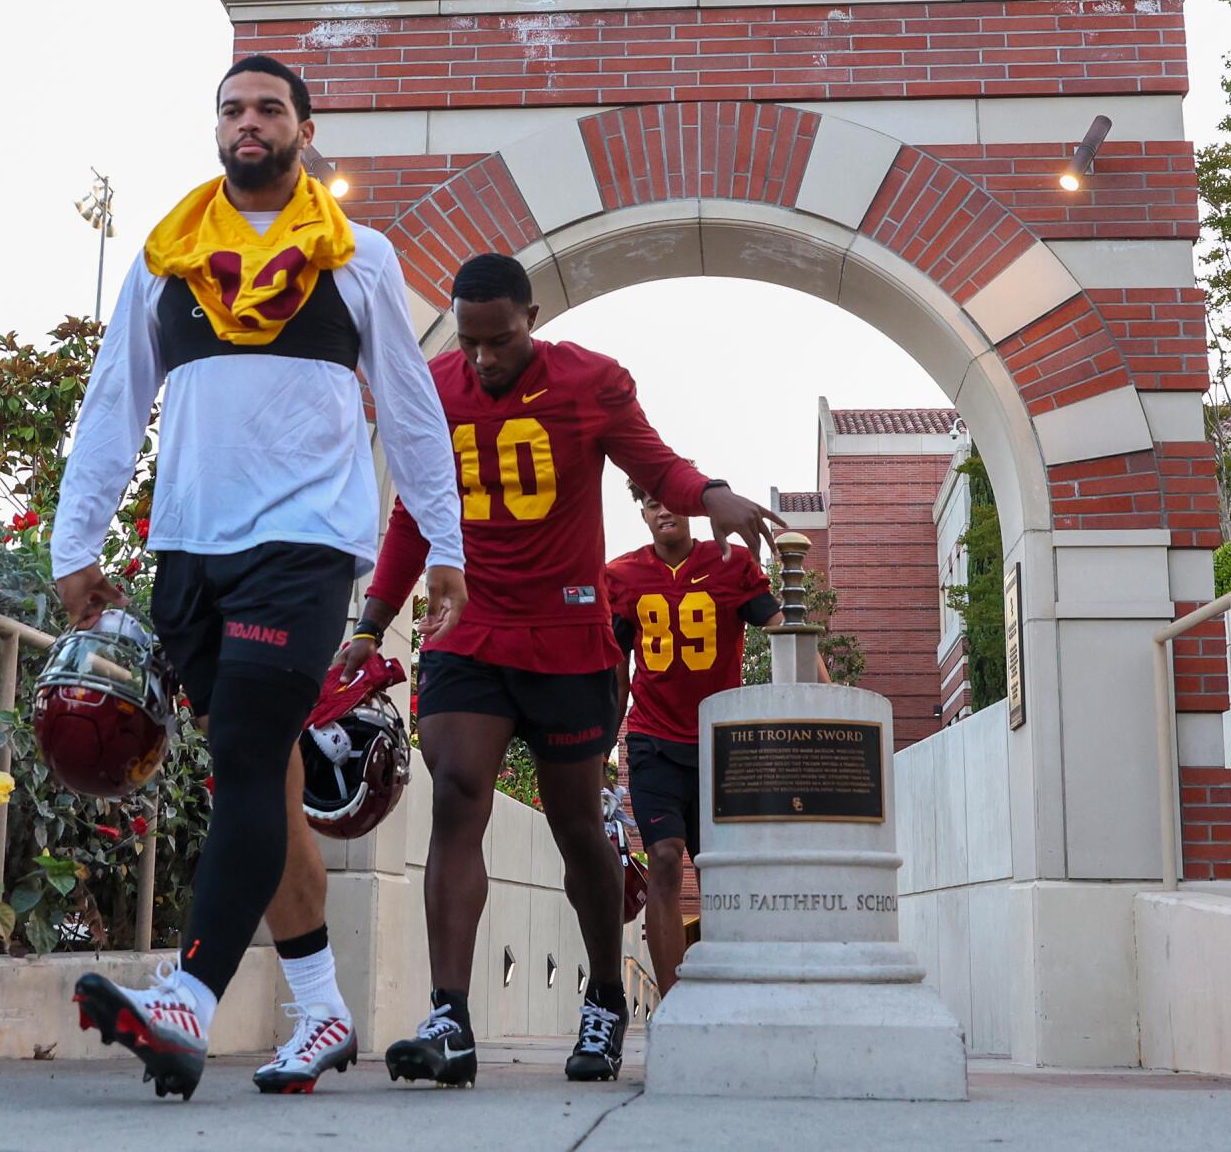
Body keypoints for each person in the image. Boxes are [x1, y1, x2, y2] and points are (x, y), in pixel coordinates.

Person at [53, 55, 468, 1100]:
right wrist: (76, 544)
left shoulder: (359, 257)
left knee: (242, 754)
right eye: (232, 108)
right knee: (264, 785)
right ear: (216, 128)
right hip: (189, 547)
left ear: (302, 128)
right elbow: (113, 403)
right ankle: (323, 1009)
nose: (249, 122)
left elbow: (411, 409)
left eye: (268, 108)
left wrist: (445, 543)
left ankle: (186, 998)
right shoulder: (165, 256)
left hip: (306, 544)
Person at [336, 252, 786, 1087]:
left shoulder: (591, 382)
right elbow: (413, 515)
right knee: (459, 791)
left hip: (571, 638)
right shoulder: (434, 386)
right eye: (469, 341)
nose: (482, 358)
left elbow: (657, 466)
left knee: (577, 823)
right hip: (469, 630)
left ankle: (607, 995)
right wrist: (370, 623)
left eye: (498, 339)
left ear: (532, 317)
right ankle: (449, 1017)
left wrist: (712, 492)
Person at [604, 484, 830, 991]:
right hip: (653, 740)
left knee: (721, 875)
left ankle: (726, 993)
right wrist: (599, 748)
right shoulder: (621, 576)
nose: (663, 509)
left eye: (670, 500)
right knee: (663, 858)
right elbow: (615, 676)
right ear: (642, 512)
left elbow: (784, 626)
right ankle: (671, 1004)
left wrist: (828, 697)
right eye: (651, 502)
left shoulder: (729, 564)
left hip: (721, 745)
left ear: (690, 507)